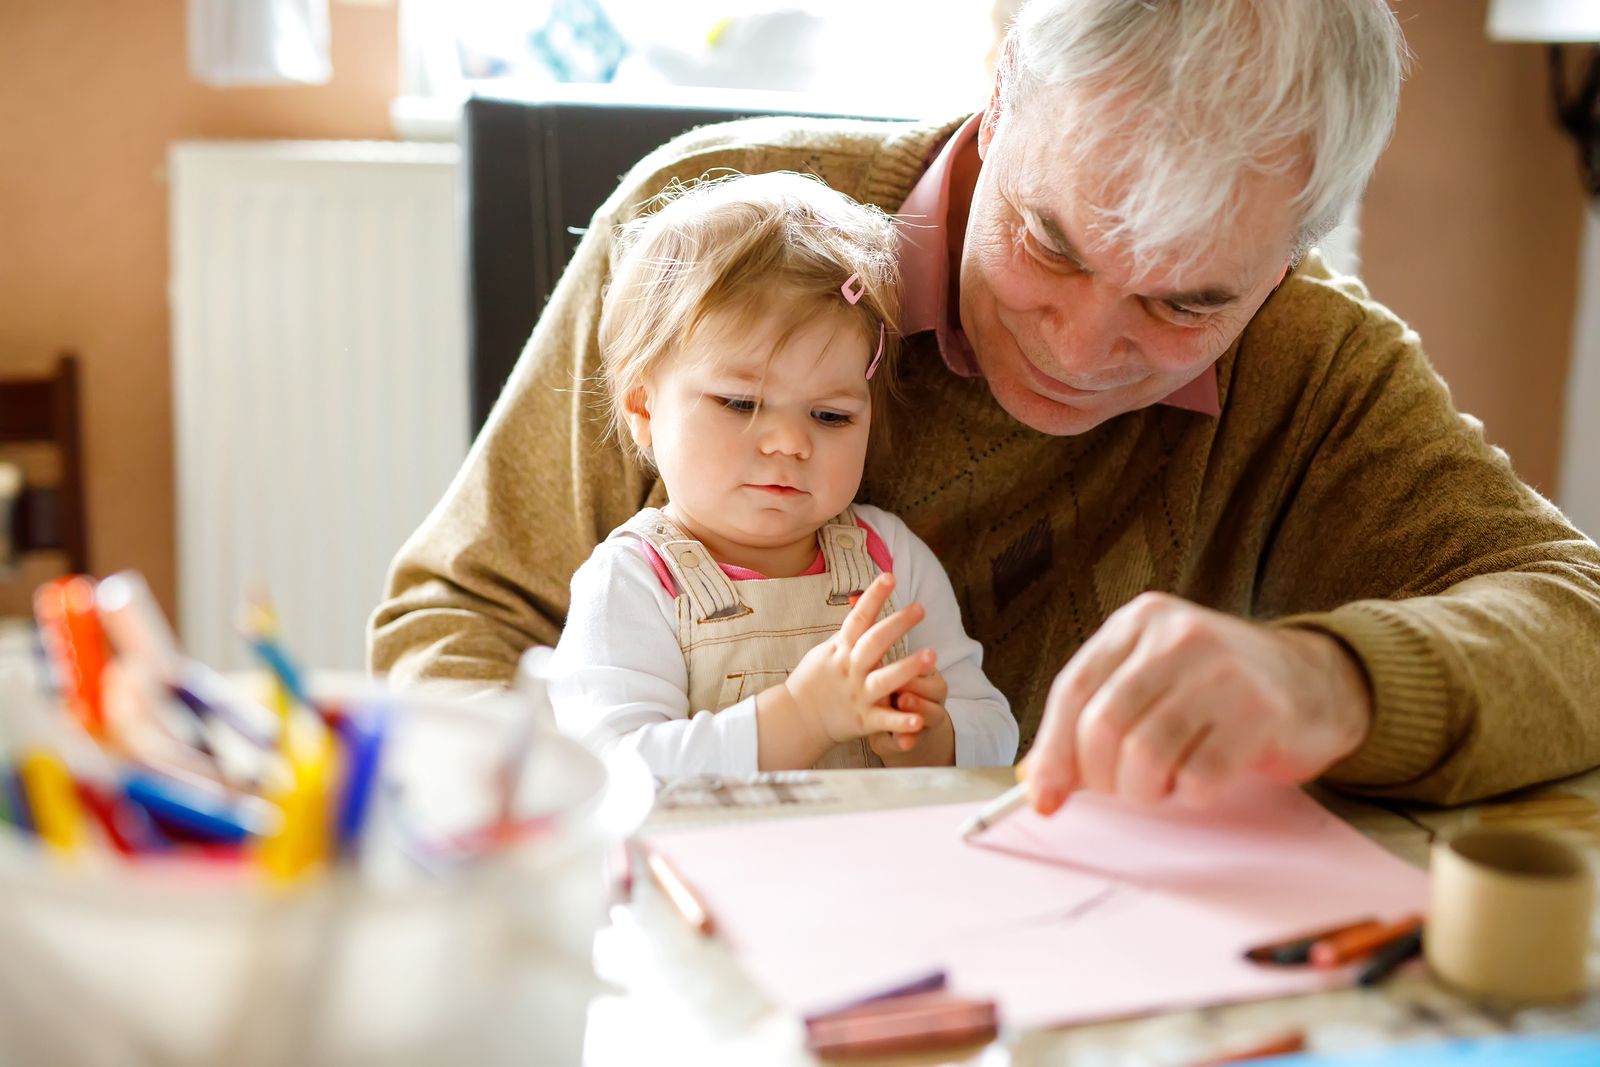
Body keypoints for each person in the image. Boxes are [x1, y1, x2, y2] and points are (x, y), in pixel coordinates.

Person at [371, 0, 1600, 809]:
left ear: (1285, 256)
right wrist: (539, 849)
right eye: (1050, 244)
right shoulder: (715, 238)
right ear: (1000, 91)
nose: (1080, 346)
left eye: (1182, 306)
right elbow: (464, 612)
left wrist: (1335, 678)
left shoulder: (1310, 361)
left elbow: (1575, 620)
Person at [544, 171, 1016, 775]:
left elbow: (997, 734)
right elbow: (614, 773)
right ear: (643, 408)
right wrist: (801, 717)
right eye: (740, 403)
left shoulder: (889, 558)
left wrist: (935, 737)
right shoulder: (634, 581)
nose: (791, 442)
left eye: (830, 415)